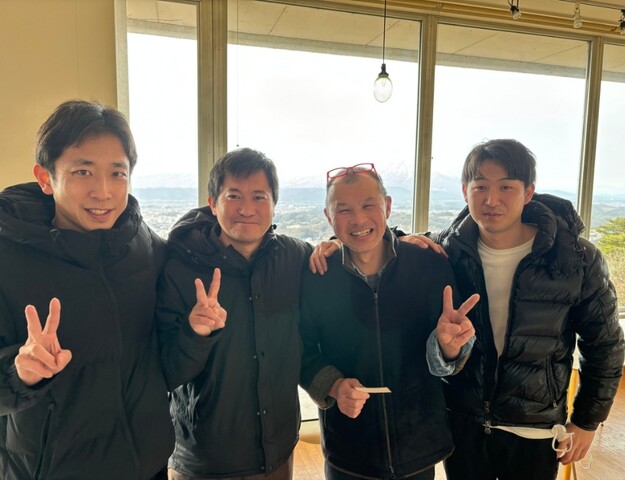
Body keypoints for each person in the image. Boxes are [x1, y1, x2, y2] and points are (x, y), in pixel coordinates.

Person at [424, 139, 625, 480]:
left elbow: (605, 344)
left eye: (506, 187)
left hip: (535, 428)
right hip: (463, 423)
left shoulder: (574, 258)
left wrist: (587, 420)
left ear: (528, 192)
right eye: (480, 187)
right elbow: (383, 243)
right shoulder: (446, 251)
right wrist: (334, 246)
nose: (491, 200)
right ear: (465, 191)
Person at [0, 100, 175, 479]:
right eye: (83, 171)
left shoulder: (142, 245)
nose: (103, 191)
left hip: (147, 462)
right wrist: (19, 373)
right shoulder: (7, 256)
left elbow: (195, 254)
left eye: (118, 173)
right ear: (45, 178)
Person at [299, 163, 479, 480]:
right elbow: (301, 351)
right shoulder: (318, 276)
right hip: (349, 450)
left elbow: (450, 354)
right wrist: (334, 386)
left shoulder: (429, 264)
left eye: (369, 205)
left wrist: (449, 348)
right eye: (344, 210)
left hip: (417, 445)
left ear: (388, 206)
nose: (358, 219)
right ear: (329, 217)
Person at [156, 147, 313, 480]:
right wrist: (194, 334)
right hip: (207, 461)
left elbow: (345, 255)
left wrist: (399, 240)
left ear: (274, 204)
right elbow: (166, 373)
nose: (247, 209)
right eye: (234, 196)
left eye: (259, 197)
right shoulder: (179, 269)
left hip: (278, 453)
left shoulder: (294, 257)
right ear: (212, 203)